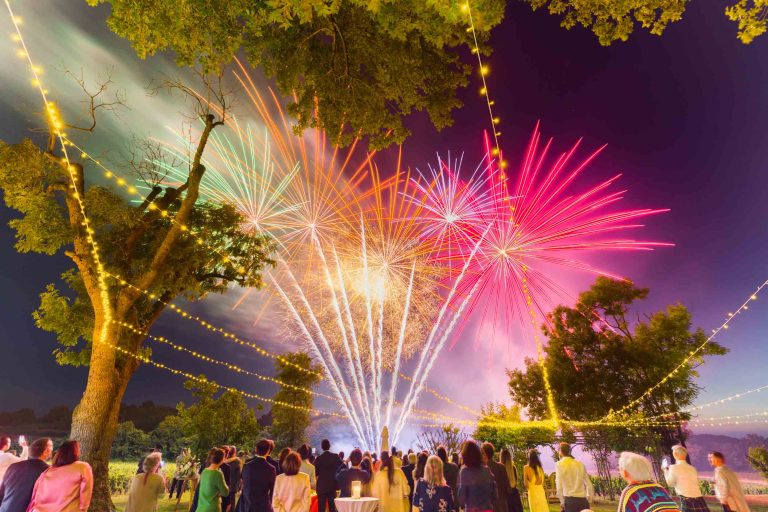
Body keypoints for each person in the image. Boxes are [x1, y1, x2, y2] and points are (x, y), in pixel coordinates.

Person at [26, 440, 93, 512]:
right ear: (75, 452)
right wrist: (83, 509)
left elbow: (37, 495)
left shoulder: (48, 471)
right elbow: (85, 493)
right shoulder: (83, 467)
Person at [0, 437, 52, 512]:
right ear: (46, 451)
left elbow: (2, 494)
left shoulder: (13, 467)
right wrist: (24, 447)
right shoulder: (48, 471)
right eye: (50, 446)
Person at [664, 446, 709, 512]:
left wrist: (665, 470)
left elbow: (670, 483)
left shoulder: (674, 467)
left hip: (686, 499)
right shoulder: (693, 468)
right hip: (699, 499)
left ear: (675, 454)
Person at [237, 440, 277, 512]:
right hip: (263, 505)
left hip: (246, 504)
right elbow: (273, 490)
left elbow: (242, 483)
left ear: (256, 449)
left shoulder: (247, 466)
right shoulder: (271, 469)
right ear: (268, 451)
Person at [457, 441, 496, 512]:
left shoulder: (465, 471)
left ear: (465, 455)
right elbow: (495, 494)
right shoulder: (486, 469)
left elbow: (462, 497)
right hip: (487, 509)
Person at [555, 442, 593, 512]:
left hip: (570, 502)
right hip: (583, 501)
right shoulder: (580, 464)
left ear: (560, 451)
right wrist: (589, 500)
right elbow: (589, 484)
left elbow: (559, 486)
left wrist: (562, 502)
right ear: (569, 451)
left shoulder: (559, 464)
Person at [197, 448, 230, 512]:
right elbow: (225, 493)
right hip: (212, 508)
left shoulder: (204, 471)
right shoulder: (218, 474)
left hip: (201, 507)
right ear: (222, 459)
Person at [314, 439, 342, 512]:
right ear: (329, 446)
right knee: (332, 508)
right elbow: (343, 467)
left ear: (322, 447)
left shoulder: (319, 458)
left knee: (321, 509)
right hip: (332, 486)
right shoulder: (335, 456)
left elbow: (315, 472)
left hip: (321, 487)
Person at [481, 443, 509, 512]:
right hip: (502, 505)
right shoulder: (501, 467)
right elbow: (508, 488)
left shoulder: (480, 470)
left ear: (484, 454)